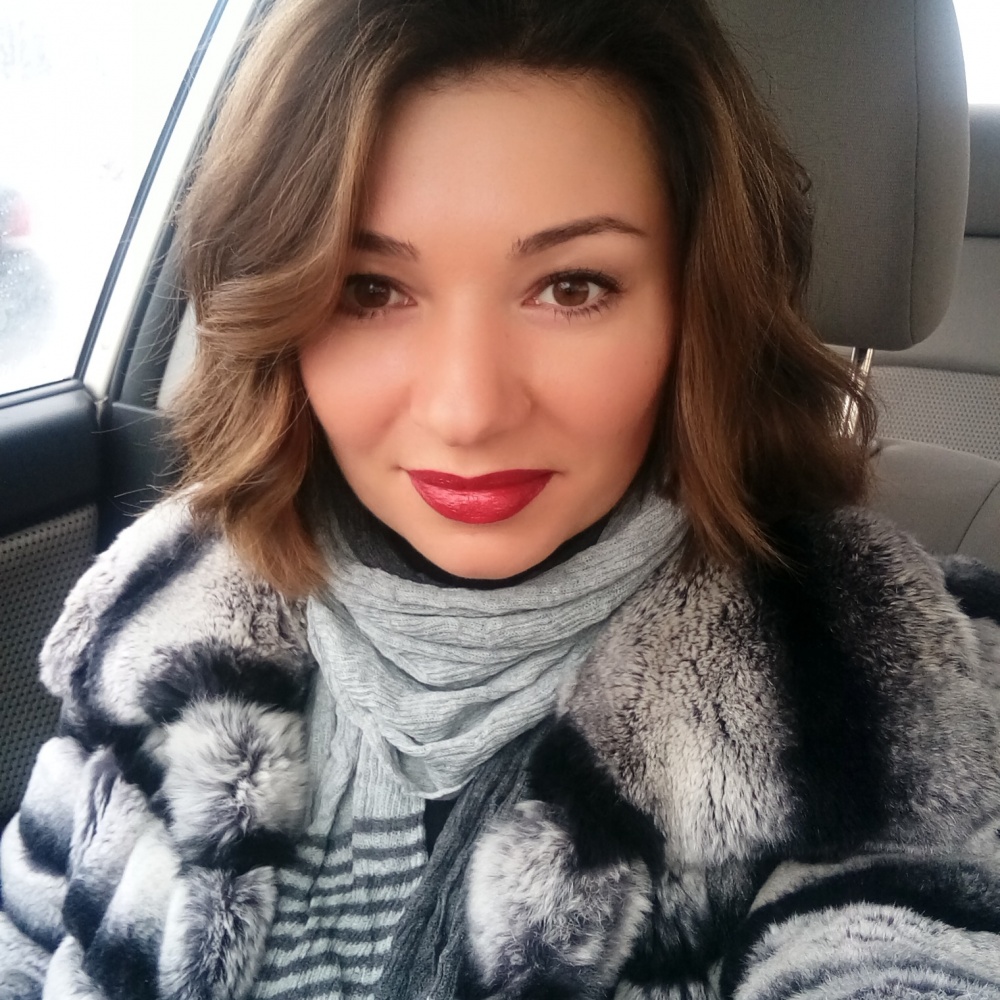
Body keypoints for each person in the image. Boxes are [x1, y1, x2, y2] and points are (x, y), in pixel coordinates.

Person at [2, 0, 1000, 997]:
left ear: (699, 305)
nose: (468, 410)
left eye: (572, 287)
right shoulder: (159, 623)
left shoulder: (872, 695)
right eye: (368, 289)